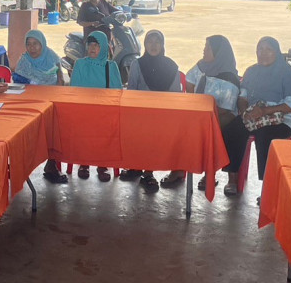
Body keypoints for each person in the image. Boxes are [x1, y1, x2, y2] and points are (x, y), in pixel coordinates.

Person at [219, 37, 291, 197]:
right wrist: (245, 112)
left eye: (268, 49)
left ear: (276, 52)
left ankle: (267, 187)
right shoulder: (251, 71)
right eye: (260, 49)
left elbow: (290, 105)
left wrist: (264, 111)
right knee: (232, 130)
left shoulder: (286, 73)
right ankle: (232, 178)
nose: (263, 53)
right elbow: (243, 97)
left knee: (265, 137)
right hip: (253, 113)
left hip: (281, 118)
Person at [162, 36, 241, 190]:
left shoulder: (229, 76)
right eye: (205, 46)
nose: (204, 50)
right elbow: (189, 80)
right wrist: (194, 102)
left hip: (221, 115)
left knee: (207, 131)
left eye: (208, 48)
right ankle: (178, 168)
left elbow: (226, 107)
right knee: (178, 127)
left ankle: (210, 172)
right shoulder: (201, 66)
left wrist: (203, 115)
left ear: (218, 52)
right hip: (199, 114)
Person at [122, 30, 182, 192]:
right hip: (141, 112)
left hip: (163, 114)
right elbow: (132, 90)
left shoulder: (171, 66)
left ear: (162, 45)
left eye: (157, 42)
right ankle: (136, 166)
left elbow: (176, 95)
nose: (153, 45)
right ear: (145, 44)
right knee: (137, 130)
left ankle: (148, 172)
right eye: (150, 41)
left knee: (154, 131)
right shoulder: (137, 64)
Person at [14, 30, 67, 184]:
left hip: (51, 100)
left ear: (42, 44)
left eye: (36, 44)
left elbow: (60, 79)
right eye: (28, 44)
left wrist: (58, 85)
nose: (32, 48)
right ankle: (22, 166)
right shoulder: (23, 61)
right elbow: (18, 84)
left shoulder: (51, 56)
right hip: (29, 103)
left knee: (55, 127)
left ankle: (51, 165)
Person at [69, 31, 122, 182]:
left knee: (105, 128)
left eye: (96, 45)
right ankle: (84, 163)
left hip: (104, 111)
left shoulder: (111, 66)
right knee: (83, 126)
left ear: (104, 47)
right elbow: (74, 90)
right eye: (90, 44)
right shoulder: (80, 64)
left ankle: (102, 164)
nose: (92, 48)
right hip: (84, 111)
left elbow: (117, 92)